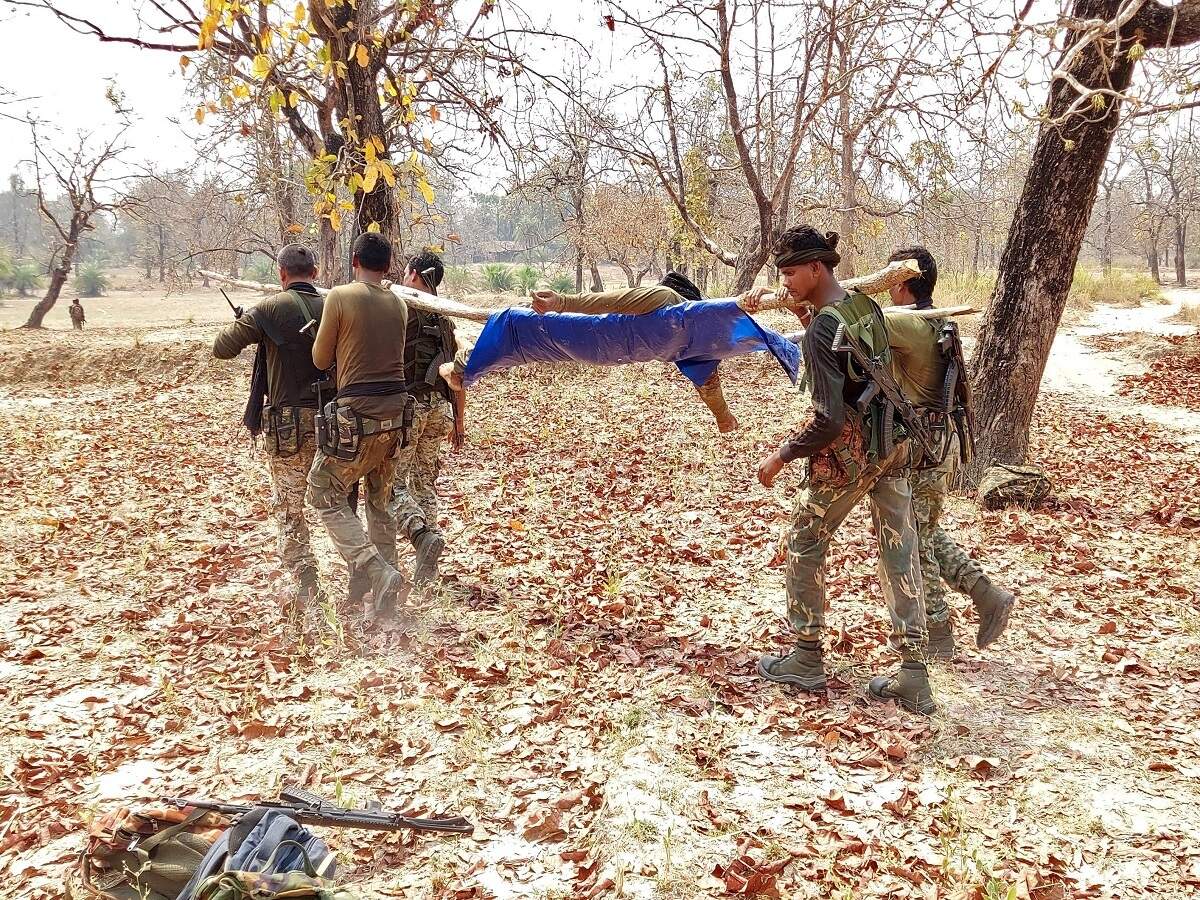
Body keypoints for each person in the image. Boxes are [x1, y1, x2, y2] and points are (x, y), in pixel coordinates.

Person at [750, 225, 934, 714]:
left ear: (816, 268)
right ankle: (914, 672)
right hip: (891, 444)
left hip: (849, 454)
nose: (784, 281)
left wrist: (782, 454)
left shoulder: (821, 330)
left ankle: (806, 657)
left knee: (804, 540)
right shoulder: (864, 307)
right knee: (899, 546)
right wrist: (801, 311)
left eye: (790, 273)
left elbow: (829, 419)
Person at [883, 246, 1015, 658]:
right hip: (937, 442)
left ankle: (938, 633)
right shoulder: (935, 318)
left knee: (914, 539)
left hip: (924, 446)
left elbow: (856, 326)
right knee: (921, 529)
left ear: (902, 283)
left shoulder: (908, 323)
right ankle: (986, 594)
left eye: (889, 280)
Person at [212, 244, 326, 634]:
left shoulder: (268, 309)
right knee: (338, 502)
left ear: (282, 274)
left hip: (289, 423)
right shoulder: (335, 305)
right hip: (336, 421)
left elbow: (222, 348)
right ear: (315, 271)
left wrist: (252, 323)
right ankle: (364, 567)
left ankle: (305, 576)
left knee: (291, 506)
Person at [308, 233, 411, 626]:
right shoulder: (399, 304)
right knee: (380, 501)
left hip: (357, 415)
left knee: (323, 491)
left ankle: (373, 568)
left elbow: (320, 359)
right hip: (397, 416)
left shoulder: (339, 296)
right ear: (388, 266)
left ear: (354, 261)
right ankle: (388, 595)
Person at [529, 273, 740, 432]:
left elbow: (708, 381)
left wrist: (723, 417)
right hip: (605, 342)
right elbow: (612, 301)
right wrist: (562, 303)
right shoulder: (664, 299)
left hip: (608, 348)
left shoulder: (672, 305)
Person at [391, 249, 461, 584]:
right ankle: (427, 566)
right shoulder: (445, 319)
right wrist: (459, 422)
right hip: (440, 410)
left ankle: (420, 535)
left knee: (392, 486)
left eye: (406, 273)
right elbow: (457, 374)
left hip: (410, 410)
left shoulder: (401, 311)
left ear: (416, 275)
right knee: (424, 483)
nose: (404, 279)